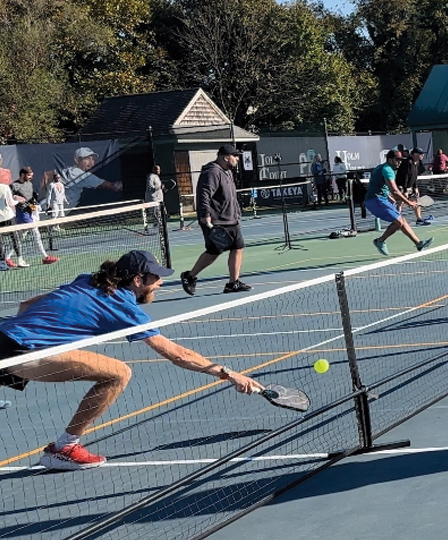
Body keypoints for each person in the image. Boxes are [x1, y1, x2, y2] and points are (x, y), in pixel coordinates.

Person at [0, 250, 263, 470]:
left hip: (4, 337)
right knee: (119, 374)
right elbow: (179, 355)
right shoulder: (124, 307)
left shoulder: (86, 281)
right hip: (26, 352)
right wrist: (230, 374)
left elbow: (25, 305)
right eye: (156, 277)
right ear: (138, 280)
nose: (160, 282)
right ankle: (64, 448)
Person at [180, 145, 252, 296]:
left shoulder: (228, 172)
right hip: (216, 220)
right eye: (235, 156)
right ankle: (190, 276)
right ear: (225, 157)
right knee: (214, 251)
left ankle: (233, 282)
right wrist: (206, 215)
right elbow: (204, 194)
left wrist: (237, 212)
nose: (237, 159)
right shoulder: (212, 171)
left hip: (230, 218)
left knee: (238, 247)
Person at [365, 150, 433, 256]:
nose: (399, 162)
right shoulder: (387, 169)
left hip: (381, 198)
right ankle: (380, 241)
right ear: (390, 159)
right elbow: (395, 191)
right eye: (397, 160)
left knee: (402, 220)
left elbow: (378, 184)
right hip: (375, 200)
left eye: (401, 160)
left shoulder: (385, 168)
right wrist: (409, 202)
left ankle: (419, 244)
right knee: (398, 221)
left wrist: (388, 196)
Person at [8, 167, 58, 265]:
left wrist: (35, 206)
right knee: (36, 234)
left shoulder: (30, 184)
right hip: (21, 215)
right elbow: (10, 199)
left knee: (20, 238)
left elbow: (30, 199)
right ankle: (45, 257)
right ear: (22, 175)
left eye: (32, 176)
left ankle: (7, 257)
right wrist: (15, 198)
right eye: (29, 175)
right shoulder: (13, 185)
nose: (31, 177)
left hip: (29, 213)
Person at [396, 147, 429, 226]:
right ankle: (397, 221)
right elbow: (405, 176)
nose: (422, 155)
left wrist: (415, 187)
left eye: (422, 154)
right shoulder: (407, 162)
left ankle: (419, 219)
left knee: (417, 202)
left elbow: (414, 176)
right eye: (420, 154)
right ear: (414, 154)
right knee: (400, 203)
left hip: (410, 187)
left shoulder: (417, 163)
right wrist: (405, 190)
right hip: (402, 187)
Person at [0, 182, 27, 270]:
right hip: (8, 217)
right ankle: (20, 260)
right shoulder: (4, 187)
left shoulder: (5, 187)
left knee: (0, 243)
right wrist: (17, 200)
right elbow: (11, 203)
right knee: (15, 238)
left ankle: (2, 264)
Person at [144, 164, 165, 231]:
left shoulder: (157, 177)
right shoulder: (151, 177)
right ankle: (156, 228)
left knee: (159, 214)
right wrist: (159, 187)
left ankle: (160, 228)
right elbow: (150, 188)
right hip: (152, 200)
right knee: (155, 215)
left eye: (159, 169)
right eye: (156, 169)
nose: (158, 170)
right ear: (153, 170)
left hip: (159, 200)